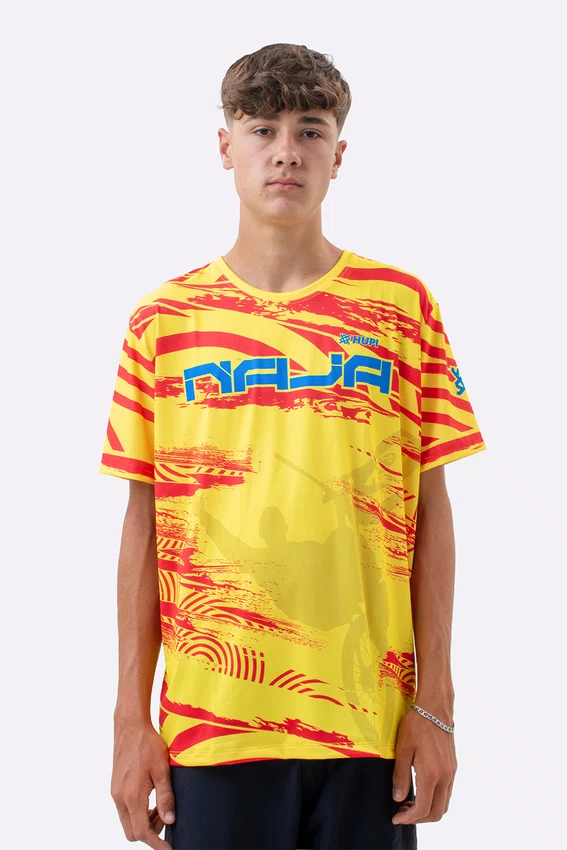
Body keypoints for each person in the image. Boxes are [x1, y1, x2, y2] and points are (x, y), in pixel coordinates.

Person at [100, 42, 487, 850]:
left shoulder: (400, 309)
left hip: (369, 727)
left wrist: (436, 705)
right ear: (226, 147)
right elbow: (144, 524)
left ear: (337, 155)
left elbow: (431, 511)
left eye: (310, 130)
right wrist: (129, 721)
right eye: (262, 129)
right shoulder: (164, 320)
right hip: (212, 728)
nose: (285, 151)